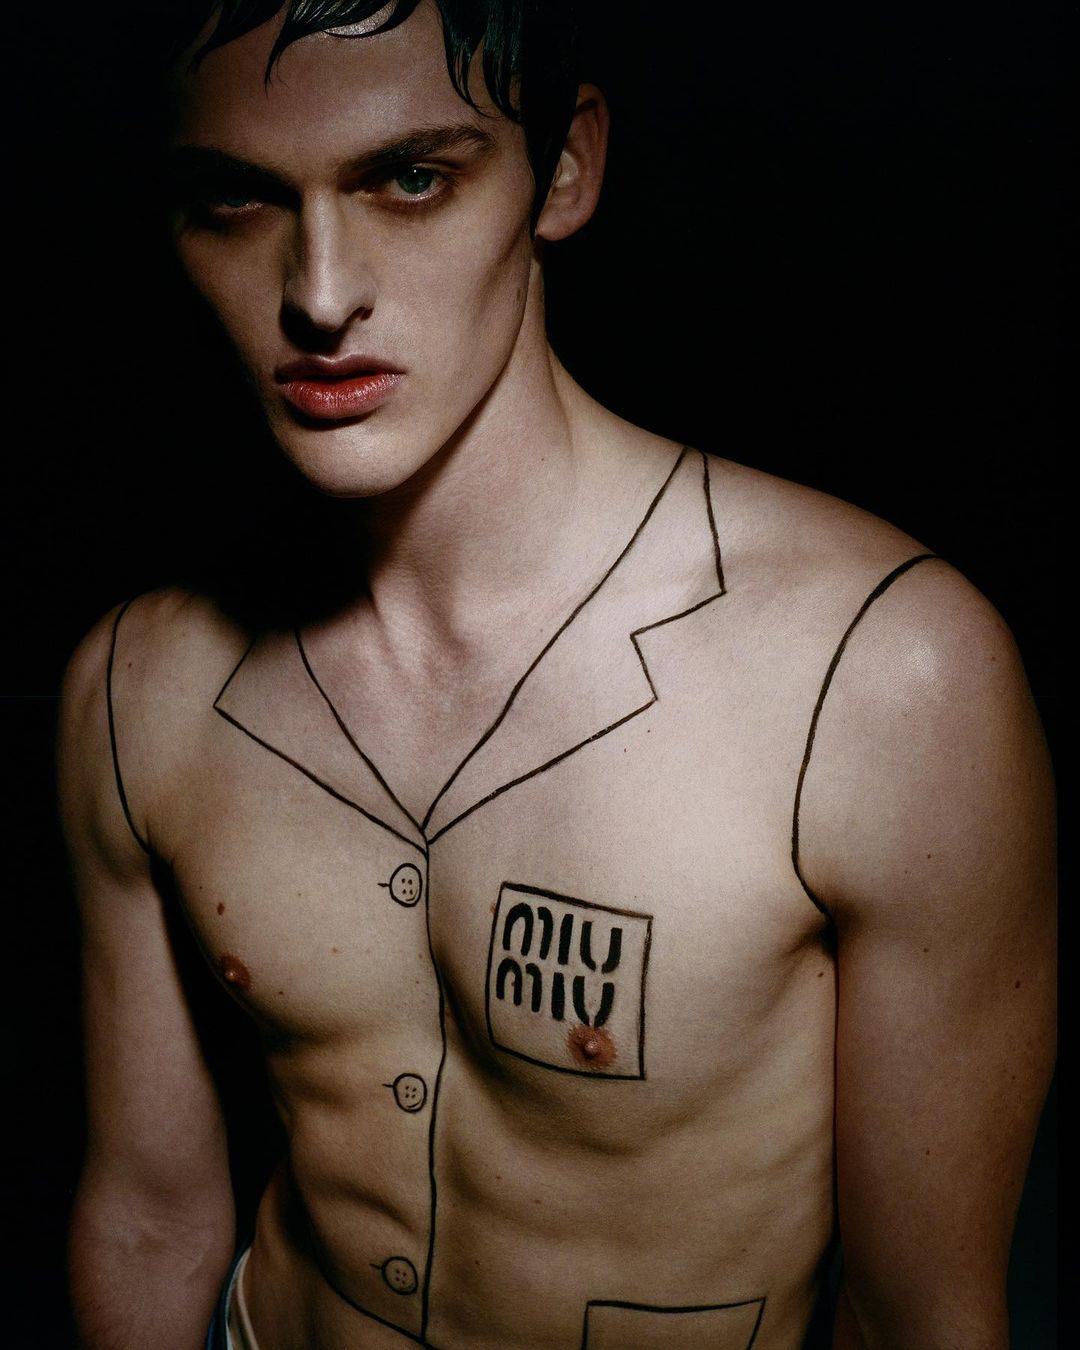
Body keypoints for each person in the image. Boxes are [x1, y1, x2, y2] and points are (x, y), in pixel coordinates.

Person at [59, 2, 1056, 1347]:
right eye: (237, 200)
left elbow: (922, 1314)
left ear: (564, 168)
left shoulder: (877, 676)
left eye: (413, 177)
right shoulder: (139, 686)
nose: (321, 294)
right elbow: (150, 1216)